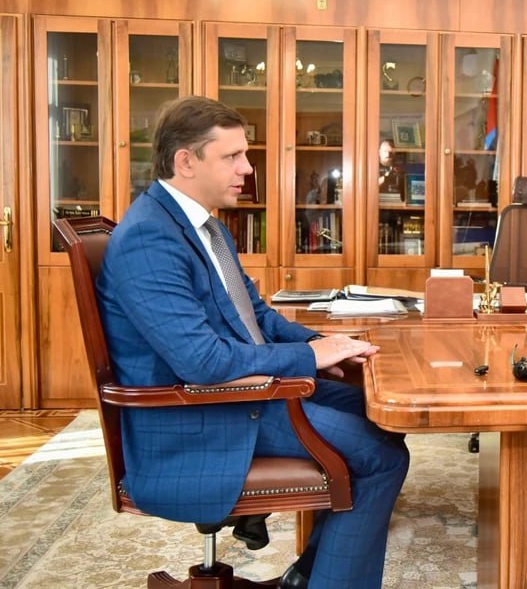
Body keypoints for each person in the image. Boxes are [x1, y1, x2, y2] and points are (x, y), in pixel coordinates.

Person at [96, 95, 409, 589]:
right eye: (233, 156)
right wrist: (308, 356)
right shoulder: (149, 238)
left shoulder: (206, 228)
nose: (247, 168)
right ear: (186, 161)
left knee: (378, 416)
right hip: (196, 418)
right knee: (381, 457)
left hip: (236, 396)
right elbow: (201, 361)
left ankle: (309, 577)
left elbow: (256, 317)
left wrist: (326, 343)